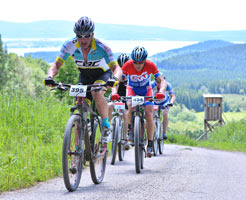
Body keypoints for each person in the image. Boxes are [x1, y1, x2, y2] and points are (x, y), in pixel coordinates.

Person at [45, 16, 122, 164]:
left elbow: (116, 68)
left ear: (92, 34)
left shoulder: (102, 47)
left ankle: (105, 125)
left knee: (96, 92)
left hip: (102, 75)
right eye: (80, 36)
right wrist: (50, 77)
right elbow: (56, 65)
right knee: (79, 110)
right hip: (84, 77)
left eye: (87, 36)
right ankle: (76, 154)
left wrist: (114, 79)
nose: (83, 39)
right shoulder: (69, 45)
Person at [122, 46, 166, 157]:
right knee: (130, 107)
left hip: (146, 90)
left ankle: (150, 143)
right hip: (132, 89)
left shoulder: (150, 65)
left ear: (145, 61)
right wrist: (113, 90)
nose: (138, 65)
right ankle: (130, 130)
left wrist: (161, 91)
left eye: (141, 63)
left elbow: (162, 81)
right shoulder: (127, 65)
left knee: (149, 113)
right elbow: (118, 79)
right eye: (135, 62)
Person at [108, 53, 131, 150]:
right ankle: (108, 130)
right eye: (121, 66)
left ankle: (125, 137)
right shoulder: (115, 72)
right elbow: (113, 84)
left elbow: (131, 87)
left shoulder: (131, 72)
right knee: (109, 106)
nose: (122, 68)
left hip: (126, 94)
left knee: (125, 114)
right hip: (116, 93)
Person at [151, 74, 176, 140]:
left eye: (161, 82)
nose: (159, 84)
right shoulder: (152, 84)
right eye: (157, 82)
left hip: (164, 102)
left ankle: (164, 132)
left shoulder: (167, 85)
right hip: (154, 102)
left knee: (165, 113)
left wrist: (171, 102)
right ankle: (152, 130)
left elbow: (173, 96)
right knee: (151, 114)